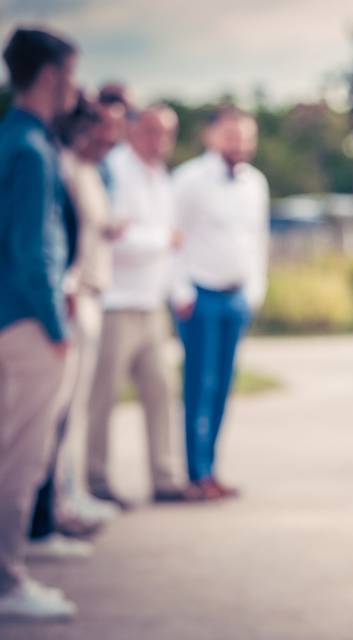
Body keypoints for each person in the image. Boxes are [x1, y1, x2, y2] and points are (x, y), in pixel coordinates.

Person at [0, 26, 80, 621]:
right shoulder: (31, 148)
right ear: (52, 76)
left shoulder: (11, 138)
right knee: (21, 457)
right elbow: (34, 249)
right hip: (28, 323)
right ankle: (7, 580)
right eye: (71, 75)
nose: (74, 88)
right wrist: (56, 327)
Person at [27, 95, 127, 560]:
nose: (104, 138)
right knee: (52, 419)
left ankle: (63, 503)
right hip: (72, 297)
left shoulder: (87, 171)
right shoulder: (60, 168)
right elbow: (57, 238)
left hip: (90, 295)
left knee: (72, 416)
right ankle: (41, 522)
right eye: (95, 130)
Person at [86, 103, 186, 506]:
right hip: (116, 303)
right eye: (150, 130)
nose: (159, 139)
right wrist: (163, 239)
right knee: (103, 399)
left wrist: (176, 289)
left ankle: (164, 478)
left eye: (166, 132)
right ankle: (96, 482)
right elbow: (114, 237)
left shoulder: (162, 177)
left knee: (161, 391)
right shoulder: (115, 169)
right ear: (132, 130)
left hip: (151, 304)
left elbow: (163, 243)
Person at [170, 106, 269, 500]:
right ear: (211, 136)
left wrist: (255, 290)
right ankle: (197, 475)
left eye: (246, 136)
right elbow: (173, 237)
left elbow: (257, 238)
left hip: (236, 297)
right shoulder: (189, 180)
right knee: (199, 386)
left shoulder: (255, 182)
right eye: (231, 135)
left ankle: (212, 470)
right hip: (199, 297)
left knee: (224, 386)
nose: (239, 143)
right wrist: (180, 290)